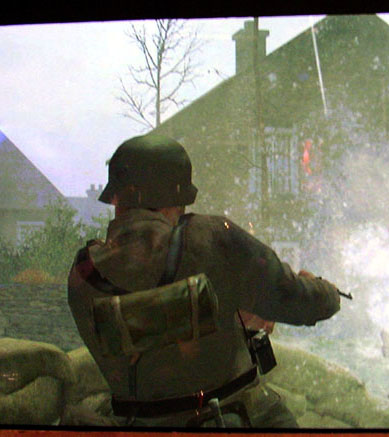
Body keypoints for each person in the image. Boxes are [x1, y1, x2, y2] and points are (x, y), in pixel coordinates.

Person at [67, 134, 342, 428]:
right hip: (231, 418)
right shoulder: (210, 236)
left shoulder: (84, 271)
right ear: (178, 197)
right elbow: (304, 303)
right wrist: (327, 291)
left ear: (116, 198)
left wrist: (223, 313)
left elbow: (147, 327)